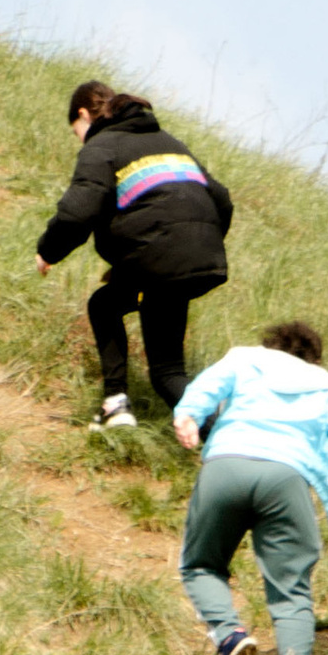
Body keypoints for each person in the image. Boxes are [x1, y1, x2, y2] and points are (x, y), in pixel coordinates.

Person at [174, 322, 328, 655]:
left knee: (201, 564)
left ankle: (229, 635)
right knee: (291, 587)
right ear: (314, 358)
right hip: (286, 479)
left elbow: (207, 387)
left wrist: (188, 415)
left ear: (271, 345)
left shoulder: (243, 358)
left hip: (226, 465)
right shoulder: (327, 385)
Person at [34, 81, 233, 427]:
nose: (79, 138)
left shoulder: (102, 145)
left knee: (158, 364)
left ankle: (119, 405)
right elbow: (221, 198)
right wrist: (199, 241)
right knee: (120, 318)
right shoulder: (169, 143)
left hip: (160, 259)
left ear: (83, 115)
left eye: (76, 130)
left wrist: (47, 252)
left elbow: (77, 212)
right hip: (197, 258)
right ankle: (231, 439)